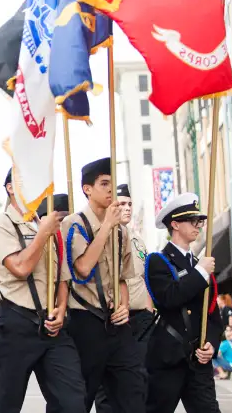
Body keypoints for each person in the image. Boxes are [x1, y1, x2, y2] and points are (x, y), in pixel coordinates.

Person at [0, 187, 86, 413]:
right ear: (11, 187)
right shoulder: (1, 224)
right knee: (7, 404)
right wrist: (43, 233)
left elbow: (61, 276)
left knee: (72, 402)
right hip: (17, 323)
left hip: (52, 326)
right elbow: (21, 267)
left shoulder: (42, 221)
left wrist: (61, 309)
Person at [60, 158, 144, 413]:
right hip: (85, 320)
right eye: (104, 183)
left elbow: (123, 277)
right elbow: (82, 268)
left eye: (112, 183)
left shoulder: (122, 231)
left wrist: (124, 306)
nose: (110, 189)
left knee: (135, 389)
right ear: (87, 188)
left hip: (116, 323)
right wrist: (107, 225)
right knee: (81, 397)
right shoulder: (74, 223)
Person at [144, 192, 223, 413]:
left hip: (198, 361)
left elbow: (213, 314)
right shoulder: (158, 261)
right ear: (175, 224)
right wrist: (199, 273)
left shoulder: (200, 264)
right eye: (192, 220)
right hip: (168, 360)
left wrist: (212, 344)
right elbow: (169, 298)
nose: (197, 225)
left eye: (199, 221)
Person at [95, 184, 155, 413]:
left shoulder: (137, 239)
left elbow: (143, 278)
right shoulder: (105, 236)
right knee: (108, 386)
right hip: (119, 317)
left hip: (142, 317)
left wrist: (149, 310)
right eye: (121, 204)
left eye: (129, 203)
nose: (127, 208)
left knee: (139, 380)